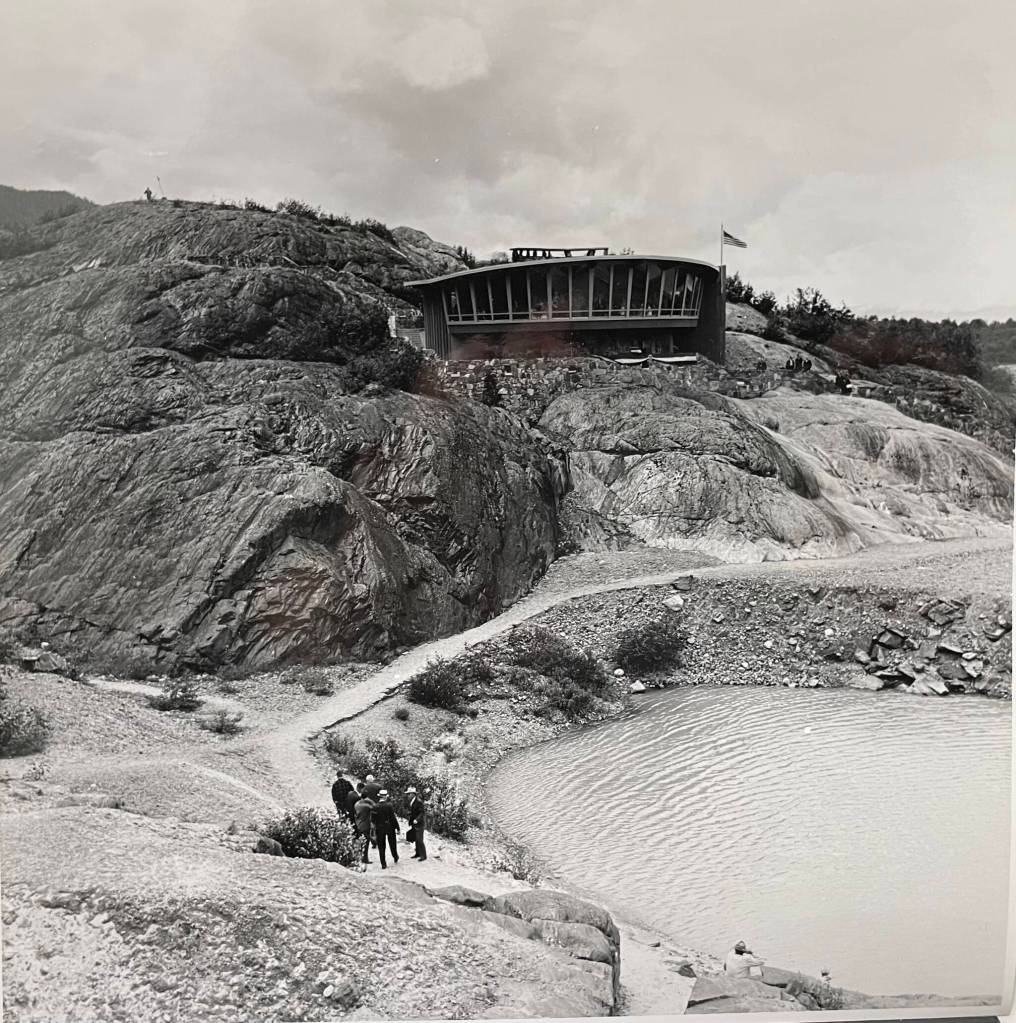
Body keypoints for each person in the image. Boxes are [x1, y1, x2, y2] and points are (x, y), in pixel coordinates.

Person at [372, 790, 400, 869]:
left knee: (381, 846)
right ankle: (395, 856)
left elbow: (373, 820)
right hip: (389, 827)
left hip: (379, 828)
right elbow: (393, 818)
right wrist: (397, 828)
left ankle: (383, 863)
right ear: (385, 796)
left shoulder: (375, 806)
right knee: (392, 843)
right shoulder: (389, 805)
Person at [354, 790, 378, 864]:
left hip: (358, 824)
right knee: (366, 843)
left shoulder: (356, 804)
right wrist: (370, 800)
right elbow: (375, 807)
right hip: (365, 826)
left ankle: (359, 857)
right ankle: (365, 859)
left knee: (360, 842)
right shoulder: (366, 806)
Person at [405, 786, 427, 861]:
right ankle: (417, 853)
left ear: (413, 794)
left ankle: (423, 856)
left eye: (409, 794)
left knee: (419, 839)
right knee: (416, 839)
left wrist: (417, 819)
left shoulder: (418, 801)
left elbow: (422, 812)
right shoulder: (412, 802)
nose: (408, 796)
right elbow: (414, 811)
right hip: (414, 823)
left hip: (419, 823)